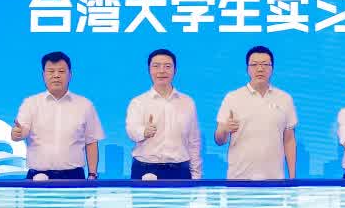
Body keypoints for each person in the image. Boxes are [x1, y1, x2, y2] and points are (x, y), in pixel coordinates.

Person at [13, 51, 105, 180]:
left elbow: (91, 142)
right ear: (43, 75)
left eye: (61, 71)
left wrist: (92, 174)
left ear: (70, 75)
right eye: (51, 71)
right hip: (38, 176)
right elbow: (20, 132)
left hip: (74, 176)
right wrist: (17, 133)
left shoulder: (85, 105)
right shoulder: (30, 103)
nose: (56, 75)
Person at [216, 45, 297, 180]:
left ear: (272, 69)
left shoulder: (285, 99)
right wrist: (225, 129)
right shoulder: (232, 98)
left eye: (265, 64)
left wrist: (292, 178)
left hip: (274, 180)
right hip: (239, 180)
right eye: (254, 65)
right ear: (247, 69)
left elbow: (289, 140)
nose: (260, 69)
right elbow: (219, 140)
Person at [126, 48, 201, 180]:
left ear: (175, 70)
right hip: (145, 168)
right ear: (149, 70)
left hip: (180, 171)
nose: (162, 71)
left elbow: (193, 141)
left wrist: (196, 175)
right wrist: (144, 132)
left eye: (167, 66)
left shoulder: (187, 102)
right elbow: (131, 131)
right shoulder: (138, 102)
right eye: (156, 66)